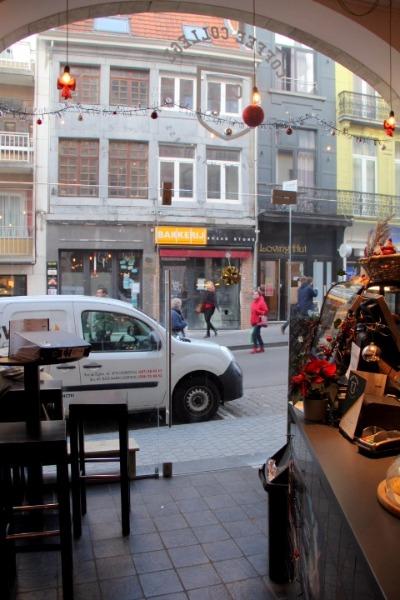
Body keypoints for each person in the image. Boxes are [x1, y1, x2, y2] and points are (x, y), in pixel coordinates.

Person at [250, 289, 269, 353]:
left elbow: (266, 311)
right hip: (254, 320)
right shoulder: (253, 302)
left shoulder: (261, 302)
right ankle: (262, 347)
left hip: (259, 321)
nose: (254, 295)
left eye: (256, 294)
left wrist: (258, 311)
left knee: (253, 334)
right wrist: (252, 320)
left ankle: (255, 348)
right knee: (257, 334)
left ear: (259, 295)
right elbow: (252, 313)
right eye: (254, 294)